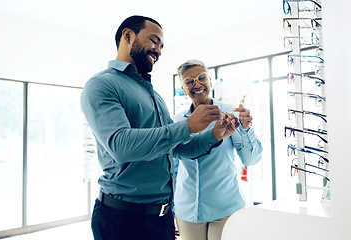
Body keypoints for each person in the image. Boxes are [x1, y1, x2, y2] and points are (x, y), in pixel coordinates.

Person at [80, 16, 237, 240]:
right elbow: (121, 145)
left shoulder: (154, 96)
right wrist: (188, 126)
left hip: (161, 218)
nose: (159, 51)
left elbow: (178, 148)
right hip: (122, 219)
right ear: (127, 35)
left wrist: (214, 134)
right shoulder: (102, 85)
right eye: (154, 41)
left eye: (162, 46)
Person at [173, 59, 263, 240]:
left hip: (225, 208)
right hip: (187, 211)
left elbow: (250, 160)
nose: (196, 84)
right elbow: (173, 168)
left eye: (201, 77)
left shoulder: (230, 114)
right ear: (183, 89)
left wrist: (246, 129)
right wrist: (172, 208)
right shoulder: (177, 121)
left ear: (210, 81)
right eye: (189, 81)